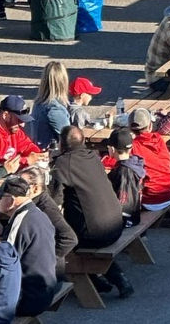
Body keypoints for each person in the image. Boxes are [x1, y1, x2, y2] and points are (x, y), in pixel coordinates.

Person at [50, 126, 130, 296]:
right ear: (83, 141)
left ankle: (83, 279)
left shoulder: (63, 163)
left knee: (63, 237)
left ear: (61, 144)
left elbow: (55, 202)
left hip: (95, 234)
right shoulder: (93, 156)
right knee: (84, 219)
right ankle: (109, 278)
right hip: (116, 224)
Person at [0, 175, 54, 317]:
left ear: (11, 200)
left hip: (27, 298)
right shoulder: (38, 214)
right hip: (45, 291)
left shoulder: (20, 221)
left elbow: (6, 263)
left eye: (0, 197)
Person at [19, 166, 77, 280]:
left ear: (35, 189)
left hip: (47, 274)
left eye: (22, 185)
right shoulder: (30, 203)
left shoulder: (46, 208)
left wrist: (47, 260)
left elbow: (69, 238)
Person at [128, 108, 170, 212]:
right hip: (169, 193)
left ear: (130, 129)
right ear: (150, 126)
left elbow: (116, 161)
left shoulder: (133, 146)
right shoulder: (159, 139)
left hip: (150, 200)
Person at [105, 127, 145, 234]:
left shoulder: (123, 172)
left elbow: (124, 202)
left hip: (127, 219)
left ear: (112, 149)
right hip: (136, 213)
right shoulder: (134, 163)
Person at [0, 96, 45, 173]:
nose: (23, 125)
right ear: (5, 115)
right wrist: (26, 160)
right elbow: (3, 167)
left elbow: (28, 146)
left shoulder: (14, 130)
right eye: (19, 120)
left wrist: (38, 155)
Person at [30, 61, 70, 149]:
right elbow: (69, 138)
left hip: (38, 148)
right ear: (63, 82)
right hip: (50, 155)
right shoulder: (55, 109)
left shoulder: (39, 103)